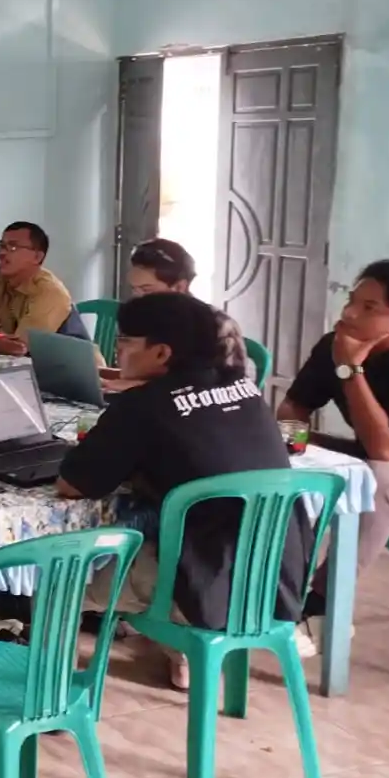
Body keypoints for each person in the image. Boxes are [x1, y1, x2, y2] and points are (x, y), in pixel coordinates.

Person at [57, 292, 304, 689]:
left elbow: (73, 485)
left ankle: (49, 695)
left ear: (161, 353)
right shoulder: (245, 390)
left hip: (203, 587)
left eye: (123, 343)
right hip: (274, 581)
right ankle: (184, 657)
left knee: (60, 577)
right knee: (171, 535)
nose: (116, 352)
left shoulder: (141, 406)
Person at [279, 260, 389, 588]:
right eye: (351, 300)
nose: (350, 313)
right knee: (277, 448)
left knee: (379, 477)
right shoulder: (333, 345)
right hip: (375, 459)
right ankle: (280, 581)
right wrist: (293, 450)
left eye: (369, 307)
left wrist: (351, 368)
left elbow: (387, 449)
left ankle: (322, 599)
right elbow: (293, 407)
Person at [110, 238, 252, 387]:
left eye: (147, 290)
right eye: (133, 289)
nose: (137, 297)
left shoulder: (217, 325)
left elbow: (230, 389)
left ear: (179, 287)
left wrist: (141, 388)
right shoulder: (140, 319)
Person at [0, 221, 79, 356]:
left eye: (13, 247)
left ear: (37, 257)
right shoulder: (0, 284)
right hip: (30, 366)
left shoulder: (50, 291)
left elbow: (19, 348)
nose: (2, 253)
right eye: (1, 246)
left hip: (79, 370)